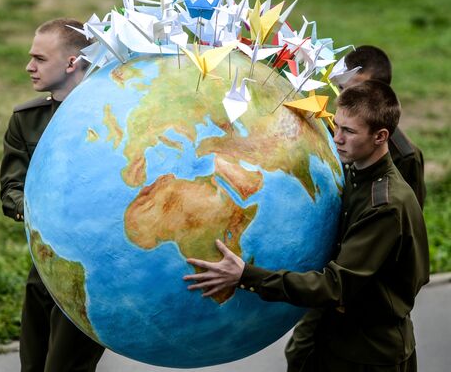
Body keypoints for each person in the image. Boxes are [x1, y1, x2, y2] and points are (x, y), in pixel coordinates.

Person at [184, 80, 429, 371]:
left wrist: (246, 275)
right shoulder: (355, 174)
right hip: (337, 338)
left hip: (371, 355)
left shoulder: (385, 206)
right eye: (336, 126)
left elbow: (336, 286)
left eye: (348, 132)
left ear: (381, 136)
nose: (336, 138)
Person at [284, 46, 428, 372]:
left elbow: (396, 234)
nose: (338, 135)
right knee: (300, 354)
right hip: (336, 298)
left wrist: (247, 276)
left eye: (355, 88)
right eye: (343, 89)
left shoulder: (394, 179)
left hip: (362, 316)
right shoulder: (352, 149)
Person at [0, 18, 105, 372]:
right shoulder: (26, 120)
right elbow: (11, 188)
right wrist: (37, 214)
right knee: (32, 366)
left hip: (94, 273)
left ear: (72, 62)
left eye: (40, 59)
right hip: (43, 266)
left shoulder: (111, 118)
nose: (29, 67)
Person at [340, 45, 426, 209]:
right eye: (341, 89)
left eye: (356, 94)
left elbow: (405, 214)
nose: (343, 99)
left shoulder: (405, 156)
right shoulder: (332, 131)